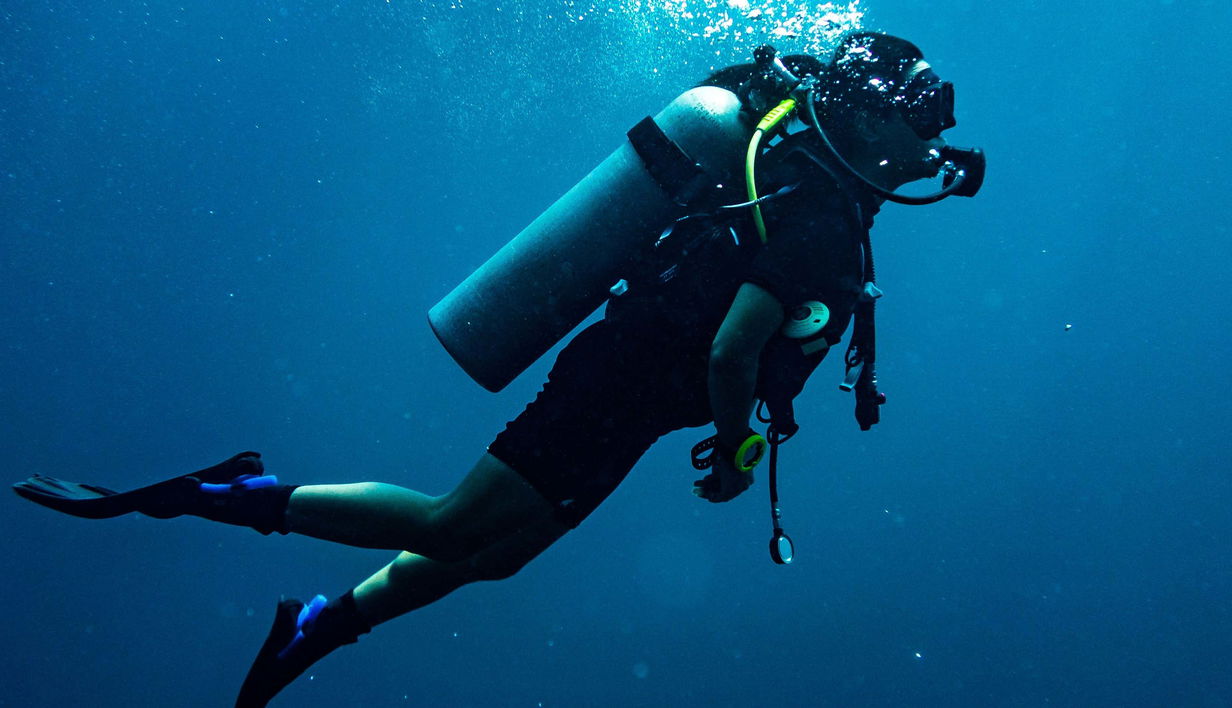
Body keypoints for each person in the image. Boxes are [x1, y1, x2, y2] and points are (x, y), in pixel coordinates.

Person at [13, 31, 976, 707]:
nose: (926, 151)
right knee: (451, 525)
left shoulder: (816, 190)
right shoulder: (817, 219)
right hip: (618, 387)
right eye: (914, 129)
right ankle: (229, 493)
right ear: (868, 122)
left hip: (634, 402)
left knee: (496, 559)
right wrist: (736, 448)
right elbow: (733, 348)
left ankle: (315, 622)